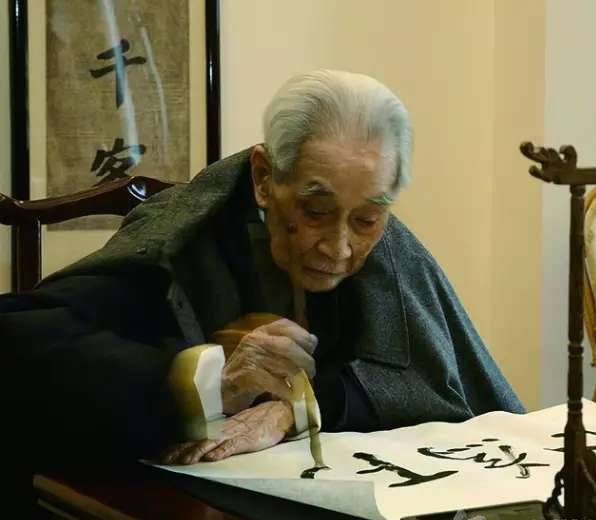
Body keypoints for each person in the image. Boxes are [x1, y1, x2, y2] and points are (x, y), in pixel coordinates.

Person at [0, 70, 524, 474]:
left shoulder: (392, 249)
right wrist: (208, 384)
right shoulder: (184, 235)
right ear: (264, 177)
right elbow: (20, 340)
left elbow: (435, 385)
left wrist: (298, 408)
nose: (340, 246)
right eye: (315, 212)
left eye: (367, 220)